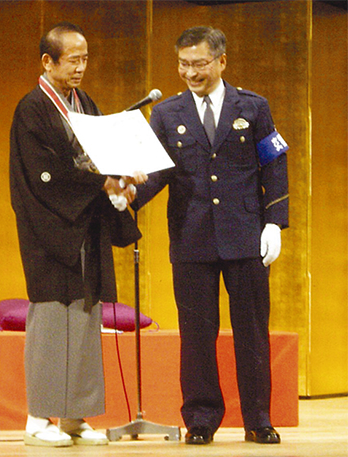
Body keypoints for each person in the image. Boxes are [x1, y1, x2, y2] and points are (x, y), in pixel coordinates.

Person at [133, 26, 289, 445]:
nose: (190, 72)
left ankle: (258, 418)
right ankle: (200, 417)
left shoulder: (254, 107)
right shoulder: (167, 113)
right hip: (191, 236)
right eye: (183, 64)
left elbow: (274, 163)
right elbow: (157, 170)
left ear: (221, 61)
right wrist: (128, 195)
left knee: (252, 330)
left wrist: (275, 221)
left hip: (245, 236)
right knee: (196, 332)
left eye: (199, 63)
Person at [10, 22, 145, 447]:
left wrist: (120, 180)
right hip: (49, 227)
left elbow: (99, 159)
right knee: (52, 318)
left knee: (86, 318)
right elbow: (42, 176)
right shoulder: (31, 108)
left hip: (84, 223)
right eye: (73, 60)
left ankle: (73, 417)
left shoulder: (83, 102)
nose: (80, 68)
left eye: (85, 59)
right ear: (47, 61)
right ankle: (38, 417)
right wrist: (100, 183)